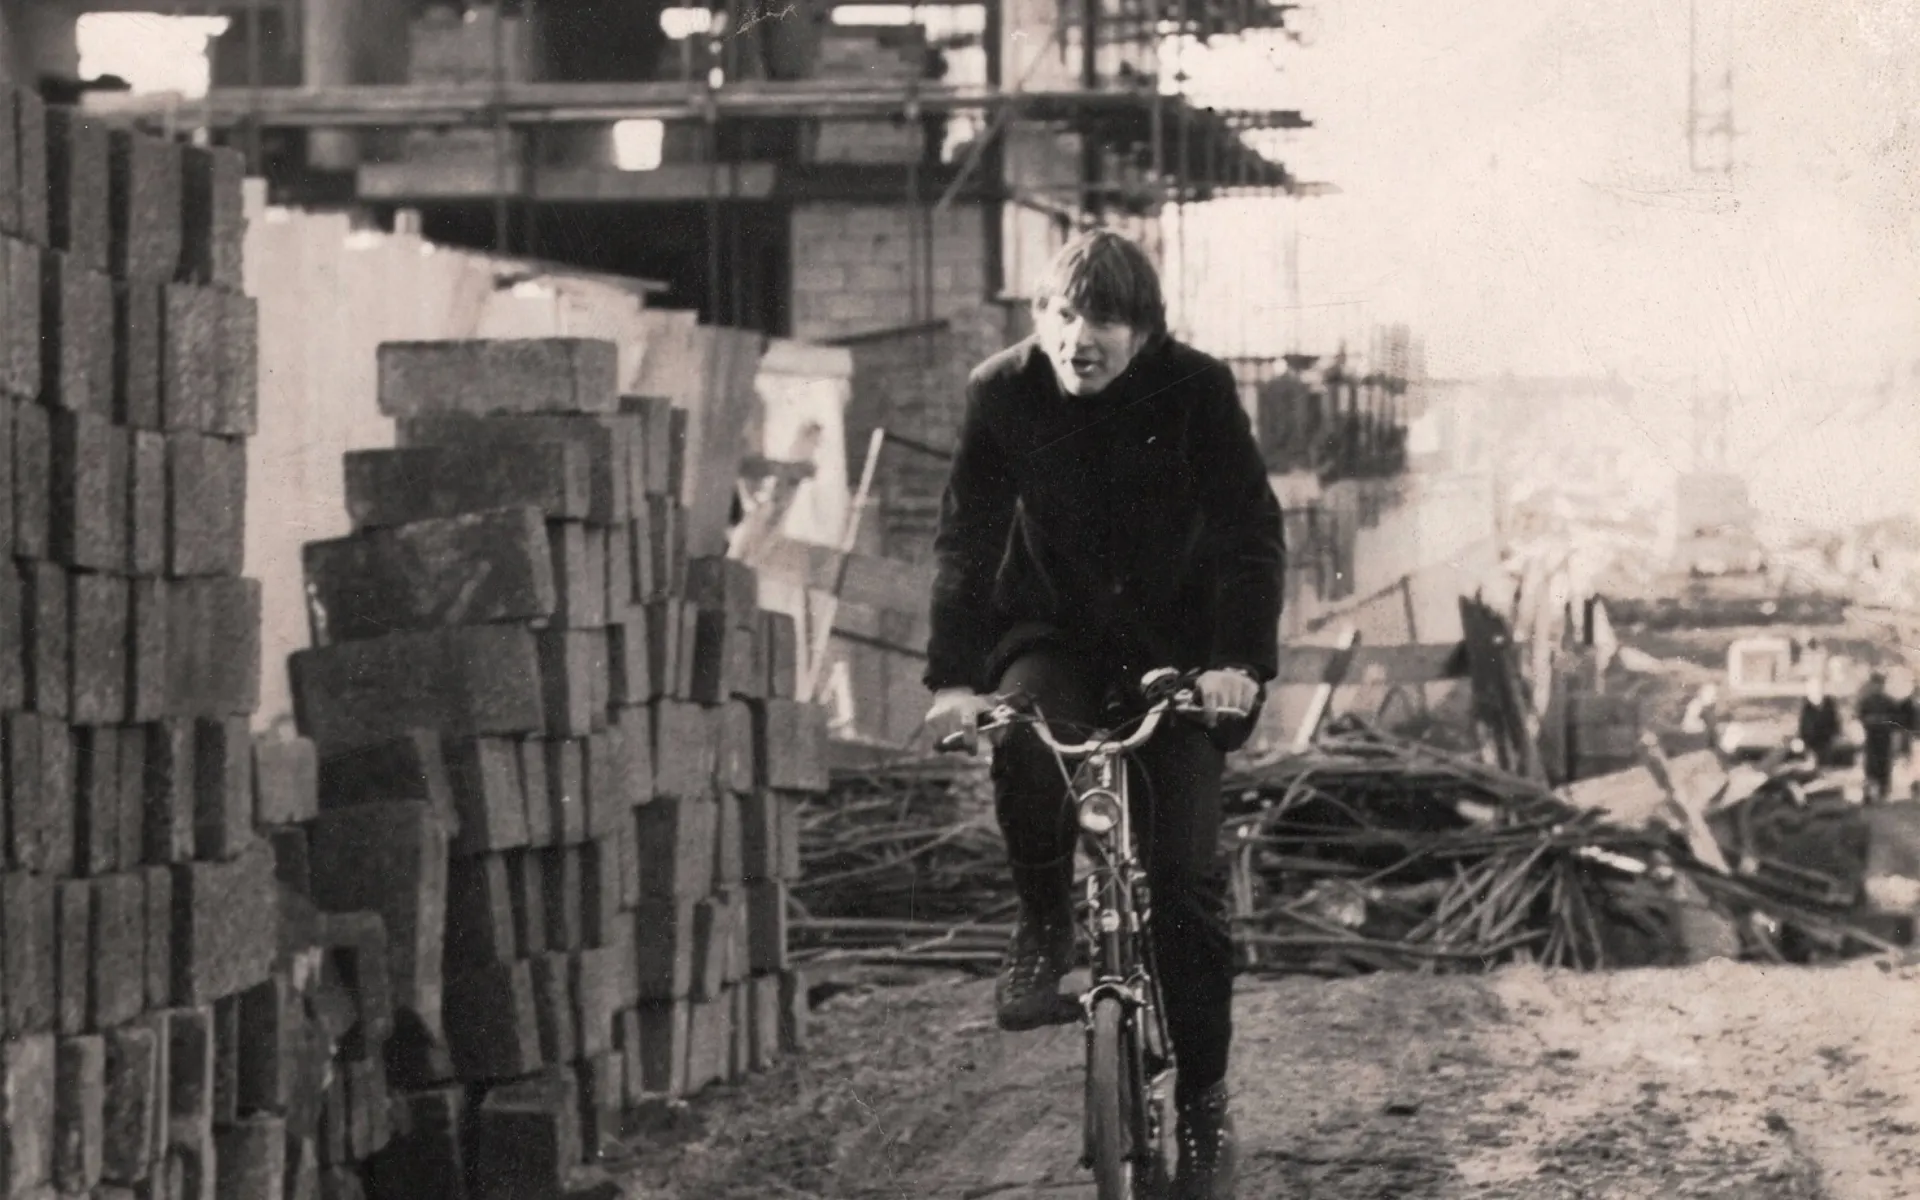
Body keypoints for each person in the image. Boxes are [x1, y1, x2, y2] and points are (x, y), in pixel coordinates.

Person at [921, 230, 1285, 1200]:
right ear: (1038, 318)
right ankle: (1044, 925)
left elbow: (1252, 532)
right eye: (1062, 315)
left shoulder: (1197, 392)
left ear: (1146, 333)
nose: (1080, 339)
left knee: (1185, 887)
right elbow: (968, 537)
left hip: (1183, 651)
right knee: (1023, 734)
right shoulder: (1002, 391)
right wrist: (955, 679)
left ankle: (1204, 1106)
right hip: (1057, 632)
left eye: (1106, 322)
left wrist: (1239, 665)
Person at [1795, 678, 1841, 765]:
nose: (1812, 692)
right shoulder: (1807, 707)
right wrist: (1800, 739)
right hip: (1810, 742)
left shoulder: (1828, 706)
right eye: (1810, 690)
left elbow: (1834, 725)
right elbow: (1803, 727)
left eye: (1815, 689)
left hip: (1825, 741)